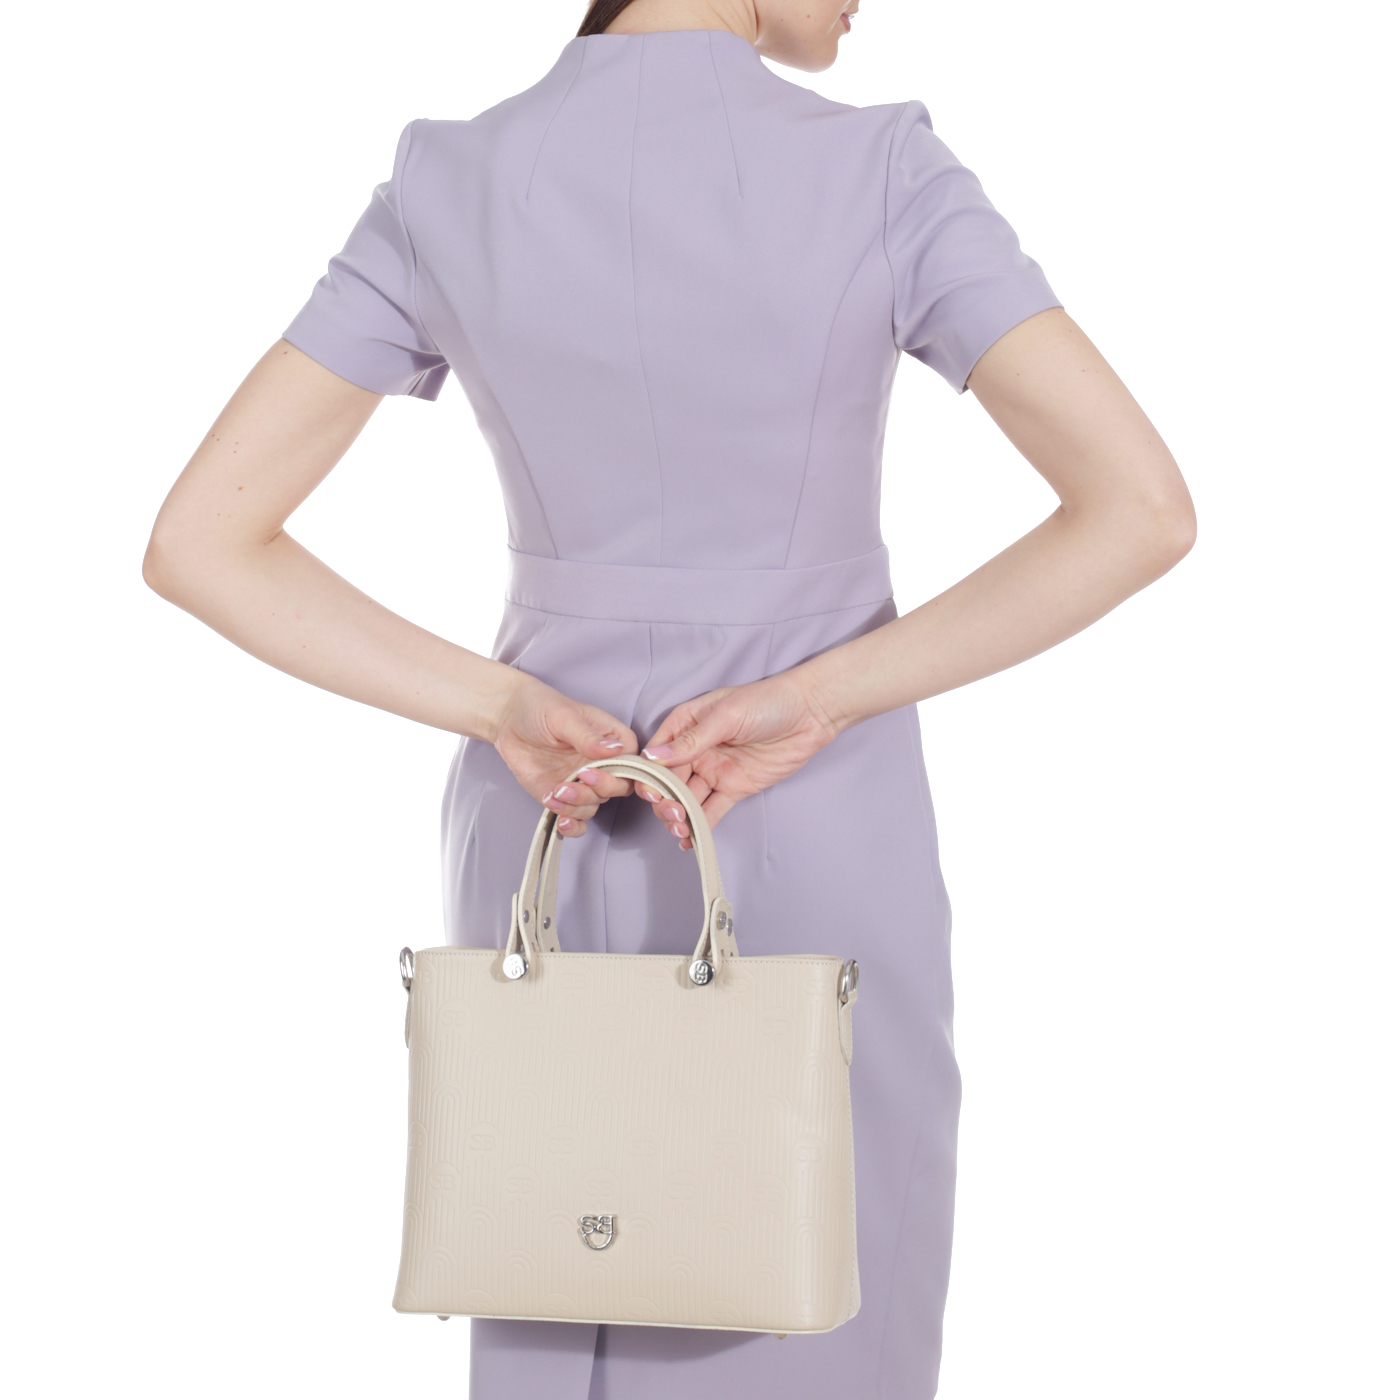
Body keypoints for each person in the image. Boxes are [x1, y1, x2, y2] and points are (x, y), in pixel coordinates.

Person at [143, 0, 1195, 1394]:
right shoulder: (883, 169)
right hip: (810, 810)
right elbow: (1141, 511)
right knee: (811, 1284)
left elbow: (200, 543)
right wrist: (825, 697)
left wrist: (497, 706)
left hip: (550, 803)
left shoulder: (447, 179)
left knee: (547, 1245)